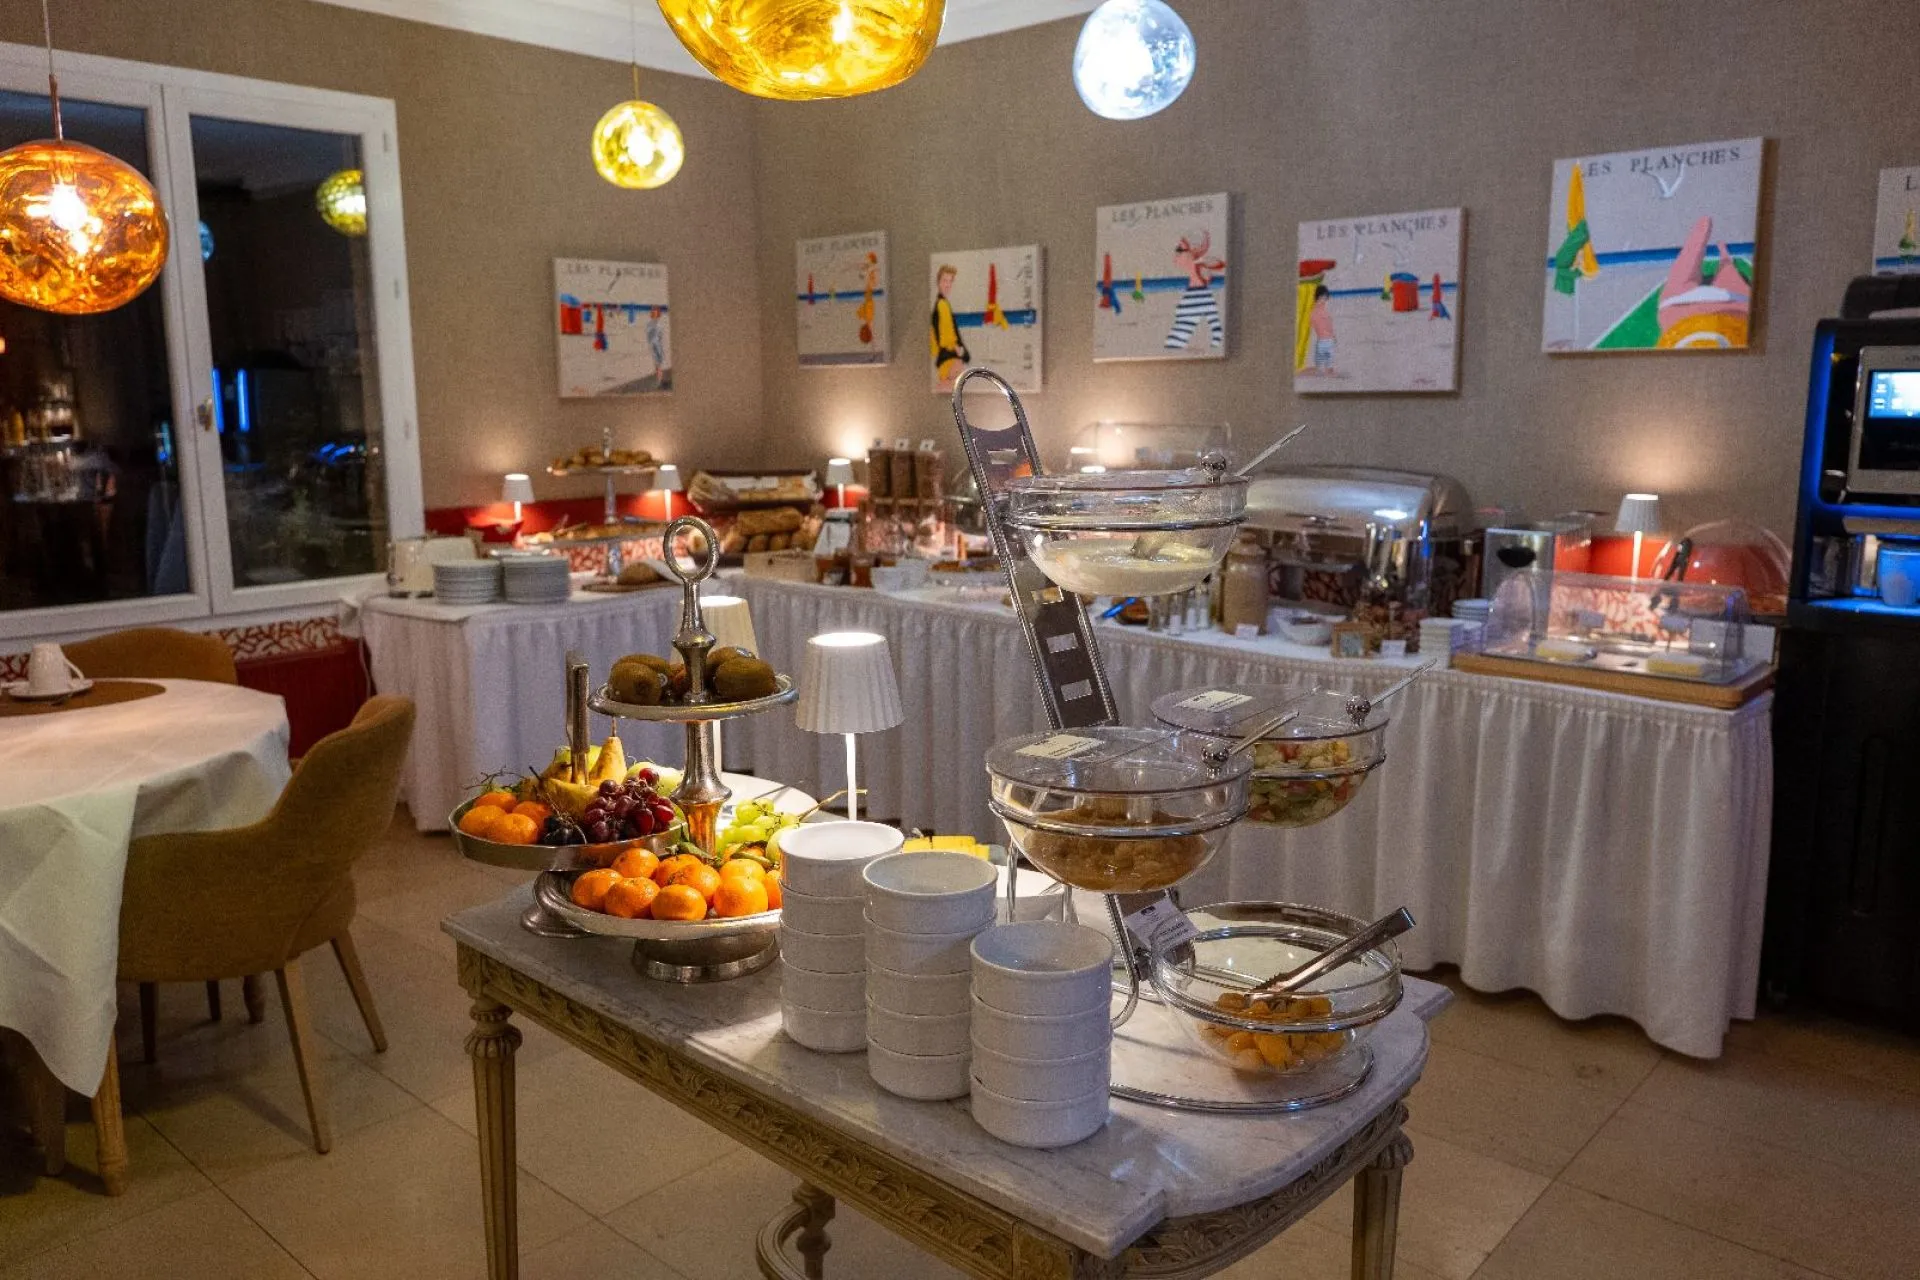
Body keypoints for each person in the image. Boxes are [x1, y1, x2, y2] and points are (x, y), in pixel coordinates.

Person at [1165, 231, 1225, 351]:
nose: (1176, 255)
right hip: (1173, 347)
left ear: (1194, 251)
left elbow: (1217, 330)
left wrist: (1206, 351)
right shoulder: (1196, 292)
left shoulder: (1203, 295)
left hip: (1176, 348)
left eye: (1179, 249)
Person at [930, 264, 970, 388]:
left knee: (949, 388)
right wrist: (957, 350)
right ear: (938, 282)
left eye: (950, 281)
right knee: (950, 388)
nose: (947, 285)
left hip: (948, 357)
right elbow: (944, 336)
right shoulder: (941, 305)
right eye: (944, 281)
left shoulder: (943, 304)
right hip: (948, 358)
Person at [1304, 284, 1336, 373]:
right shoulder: (1315, 311)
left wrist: (1333, 335)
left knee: (1326, 365)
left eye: (1325, 298)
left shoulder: (1322, 311)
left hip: (1327, 340)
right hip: (1323, 340)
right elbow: (1314, 324)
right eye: (1322, 298)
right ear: (1317, 298)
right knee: (1320, 366)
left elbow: (1328, 325)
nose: (1324, 300)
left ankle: (1326, 369)